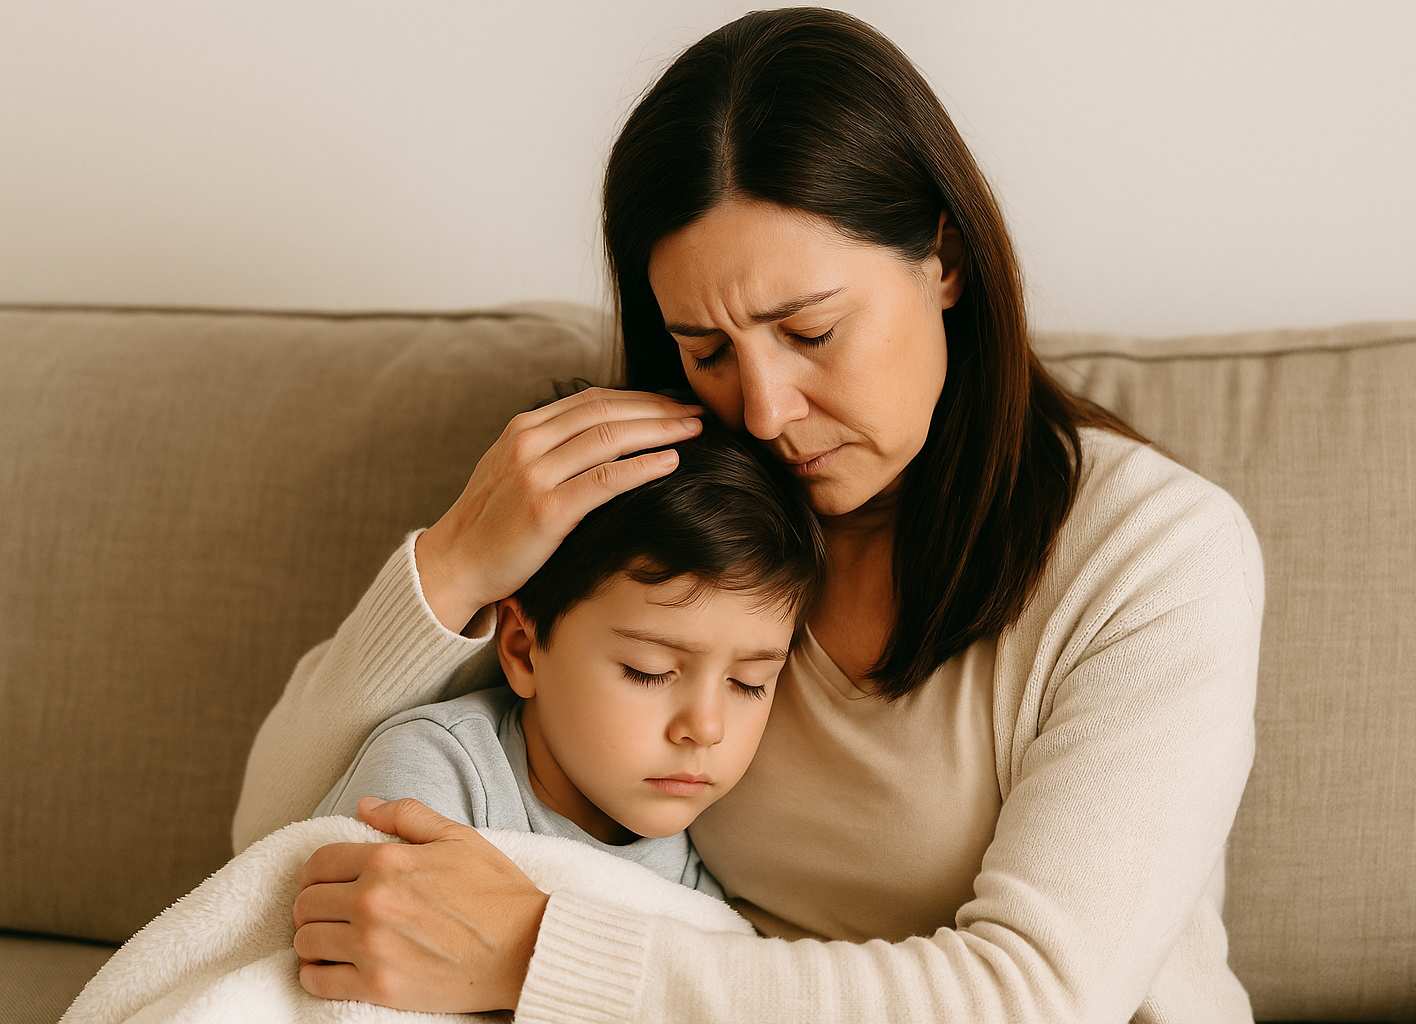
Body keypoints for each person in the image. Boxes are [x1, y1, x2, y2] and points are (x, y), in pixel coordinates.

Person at [234, 7, 1266, 1020]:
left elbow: (1040, 995)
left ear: (943, 260)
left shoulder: (1155, 553)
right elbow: (274, 848)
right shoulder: (675, 511)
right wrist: (457, 562)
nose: (764, 411)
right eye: (709, 351)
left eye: (810, 330)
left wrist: (541, 955)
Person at [305, 394, 825, 904]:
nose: (706, 728)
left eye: (748, 683)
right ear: (521, 649)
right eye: (650, 671)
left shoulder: (699, 859)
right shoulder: (441, 770)